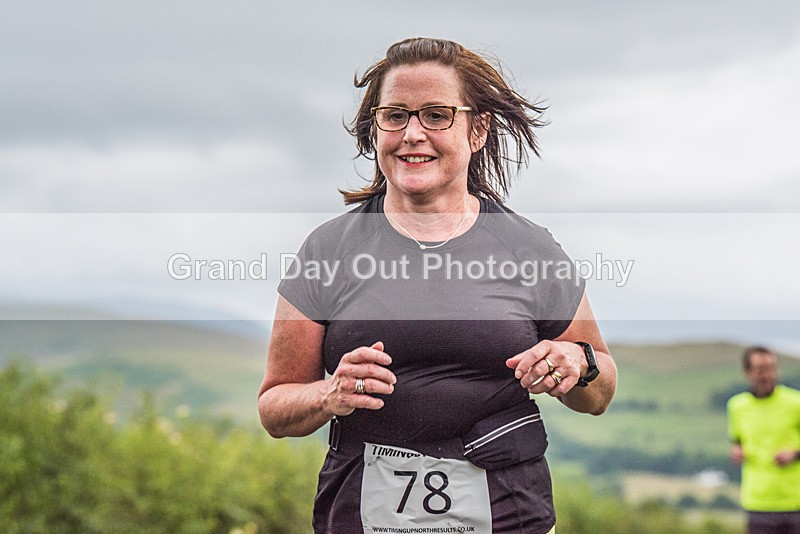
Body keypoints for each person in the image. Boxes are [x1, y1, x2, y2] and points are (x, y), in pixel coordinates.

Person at [258, 37, 617, 534]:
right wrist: (328, 394)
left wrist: (577, 363)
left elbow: (599, 392)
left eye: (436, 114)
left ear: (477, 130)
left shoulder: (529, 248)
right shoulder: (328, 250)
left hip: (510, 514)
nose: (412, 133)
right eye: (395, 115)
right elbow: (275, 408)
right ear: (375, 129)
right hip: (360, 514)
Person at [728, 346, 800, 533]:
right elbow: (737, 441)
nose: (767, 375)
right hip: (758, 503)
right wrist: (736, 452)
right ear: (747, 373)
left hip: (795, 502)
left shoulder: (796, 403)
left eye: (771, 368)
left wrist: (796, 454)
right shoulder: (737, 406)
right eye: (761, 370)